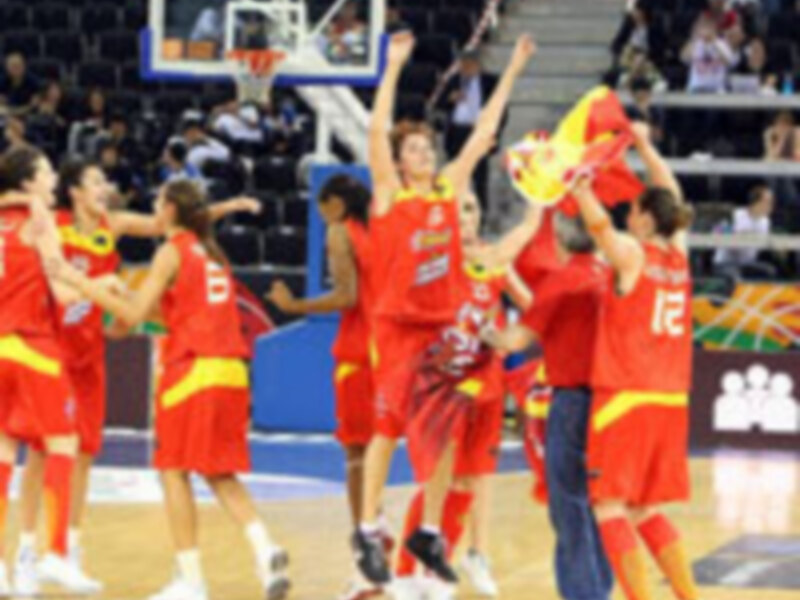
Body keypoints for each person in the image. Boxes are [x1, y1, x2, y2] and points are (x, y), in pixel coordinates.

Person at [7, 160, 259, 595]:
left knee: (81, 453)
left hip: (89, 353)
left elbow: (169, 221)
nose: (105, 186)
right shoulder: (51, 222)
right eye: (95, 180)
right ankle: (29, 552)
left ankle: (69, 548)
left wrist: (224, 207)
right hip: (49, 347)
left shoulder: (114, 223)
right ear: (73, 191)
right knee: (42, 453)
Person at [352, 31, 535, 589]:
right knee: (385, 430)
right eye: (415, 151)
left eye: (428, 149)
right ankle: (366, 528)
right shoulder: (390, 194)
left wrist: (515, 69)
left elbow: (483, 134)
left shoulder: (446, 193)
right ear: (401, 163)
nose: (424, 156)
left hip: (438, 332)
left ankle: (429, 531)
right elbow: (376, 130)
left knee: (446, 435)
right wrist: (393, 68)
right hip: (397, 329)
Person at [572, 123, 699, 600]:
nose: (628, 214)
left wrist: (582, 190)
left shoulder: (635, 255)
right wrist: (645, 145)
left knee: (610, 507)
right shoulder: (679, 256)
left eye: (635, 209)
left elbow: (599, 228)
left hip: (625, 396)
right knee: (646, 509)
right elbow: (672, 190)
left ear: (647, 219)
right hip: (669, 398)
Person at [393, 191, 534, 599]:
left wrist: (508, 336)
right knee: (439, 477)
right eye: (459, 211)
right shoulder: (434, 264)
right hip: (443, 384)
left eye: (472, 209)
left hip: (486, 384)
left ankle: (439, 571)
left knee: (468, 483)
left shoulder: (494, 260)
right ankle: (404, 571)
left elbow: (532, 305)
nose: (467, 218)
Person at [483, 208, 614, 600]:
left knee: (567, 501)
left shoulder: (562, 280)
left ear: (558, 239)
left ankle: (584, 593)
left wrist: (482, 332)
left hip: (572, 399)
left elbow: (516, 340)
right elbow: (541, 310)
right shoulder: (606, 274)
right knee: (595, 502)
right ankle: (599, 586)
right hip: (607, 399)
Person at [266, 174, 380, 600]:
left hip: (356, 350)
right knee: (378, 453)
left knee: (355, 454)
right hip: (386, 348)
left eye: (320, 207)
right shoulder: (376, 225)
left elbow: (346, 296)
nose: (319, 217)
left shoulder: (339, 231)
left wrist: (296, 306)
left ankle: (366, 559)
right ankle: (384, 556)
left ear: (334, 204)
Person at [0, 145, 101, 594]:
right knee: (64, 441)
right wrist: (98, 287)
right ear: (27, 182)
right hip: (32, 345)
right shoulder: (40, 218)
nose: (53, 178)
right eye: (45, 172)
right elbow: (62, 289)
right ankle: (56, 552)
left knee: (3, 454)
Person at [437, 50, 505, 215]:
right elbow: (438, 104)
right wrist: (450, 99)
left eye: (470, 65)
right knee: (455, 173)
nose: (466, 68)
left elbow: (502, 109)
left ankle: (482, 212)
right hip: (456, 133)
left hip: (477, 133)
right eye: (463, 65)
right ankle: (452, 208)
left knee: (480, 177)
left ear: (478, 65)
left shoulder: (490, 81)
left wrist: (493, 131)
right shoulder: (453, 81)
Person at [713, 184, 777, 278]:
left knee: (770, 271)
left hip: (747, 264)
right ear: (756, 202)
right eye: (768, 202)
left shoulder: (765, 222)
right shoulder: (736, 215)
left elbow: (761, 246)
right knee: (736, 277)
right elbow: (716, 231)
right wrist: (735, 236)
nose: (771, 205)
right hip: (725, 262)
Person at [681, 19, 737, 94]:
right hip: (696, 89)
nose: (706, 32)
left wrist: (714, 42)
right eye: (703, 28)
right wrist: (694, 39)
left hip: (716, 90)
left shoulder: (722, 44)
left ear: (714, 30)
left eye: (709, 28)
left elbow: (729, 62)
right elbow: (683, 58)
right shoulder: (694, 44)